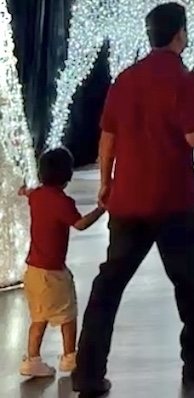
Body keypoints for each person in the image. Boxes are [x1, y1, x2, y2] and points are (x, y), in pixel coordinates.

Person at [72, 2, 194, 398]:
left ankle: (88, 374)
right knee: (189, 280)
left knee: (108, 286)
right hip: (173, 200)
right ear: (180, 34)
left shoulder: (125, 79)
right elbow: (193, 137)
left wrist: (105, 182)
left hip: (129, 200)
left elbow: (107, 138)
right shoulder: (187, 80)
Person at [19, 148, 105, 379]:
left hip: (33, 271)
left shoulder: (37, 195)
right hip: (53, 272)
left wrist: (24, 191)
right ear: (67, 175)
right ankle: (69, 356)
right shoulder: (62, 201)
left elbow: (28, 194)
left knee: (38, 317)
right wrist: (102, 209)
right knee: (68, 314)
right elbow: (79, 224)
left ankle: (32, 359)